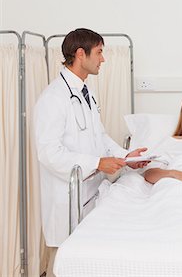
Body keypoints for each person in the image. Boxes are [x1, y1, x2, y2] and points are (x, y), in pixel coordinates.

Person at [34, 28, 148, 277]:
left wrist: (126, 158)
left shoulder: (86, 92)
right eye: (99, 52)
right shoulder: (53, 98)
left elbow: (100, 136)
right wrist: (97, 163)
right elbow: (49, 153)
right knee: (64, 266)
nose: (103, 59)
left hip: (90, 196)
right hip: (67, 199)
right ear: (80, 53)